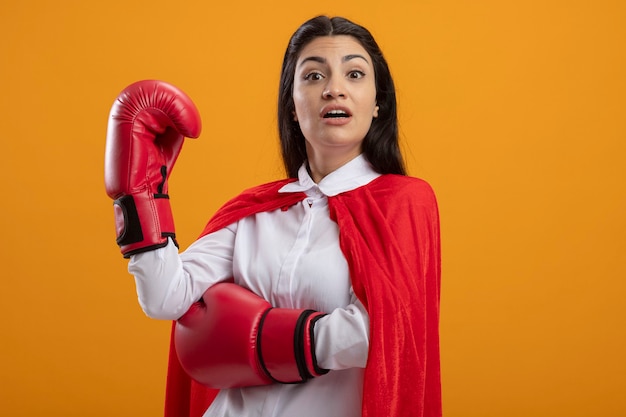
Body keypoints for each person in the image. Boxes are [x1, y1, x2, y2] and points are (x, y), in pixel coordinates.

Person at [105, 15, 442, 417]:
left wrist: (258, 339)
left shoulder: (405, 202)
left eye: (354, 74)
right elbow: (165, 298)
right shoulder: (253, 211)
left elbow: (387, 335)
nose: (334, 89)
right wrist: (141, 195)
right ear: (293, 107)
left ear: (377, 103)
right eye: (314, 76)